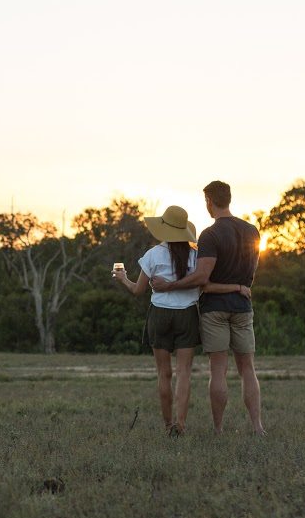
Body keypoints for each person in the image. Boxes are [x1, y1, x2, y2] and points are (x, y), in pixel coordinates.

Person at [112, 205, 242, 436]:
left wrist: (123, 279)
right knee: (184, 373)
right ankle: (180, 424)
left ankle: (167, 424)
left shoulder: (152, 255)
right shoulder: (195, 255)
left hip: (159, 315)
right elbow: (203, 283)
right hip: (187, 316)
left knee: (164, 374)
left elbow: (138, 291)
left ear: (163, 229)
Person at [151, 181, 265, 435]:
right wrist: (237, 286)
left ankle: (218, 429)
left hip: (214, 310)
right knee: (248, 368)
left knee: (218, 369)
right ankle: (257, 427)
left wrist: (171, 285)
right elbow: (252, 272)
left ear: (209, 202)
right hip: (243, 307)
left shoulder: (210, 235)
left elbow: (202, 278)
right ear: (229, 199)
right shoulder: (252, 230)